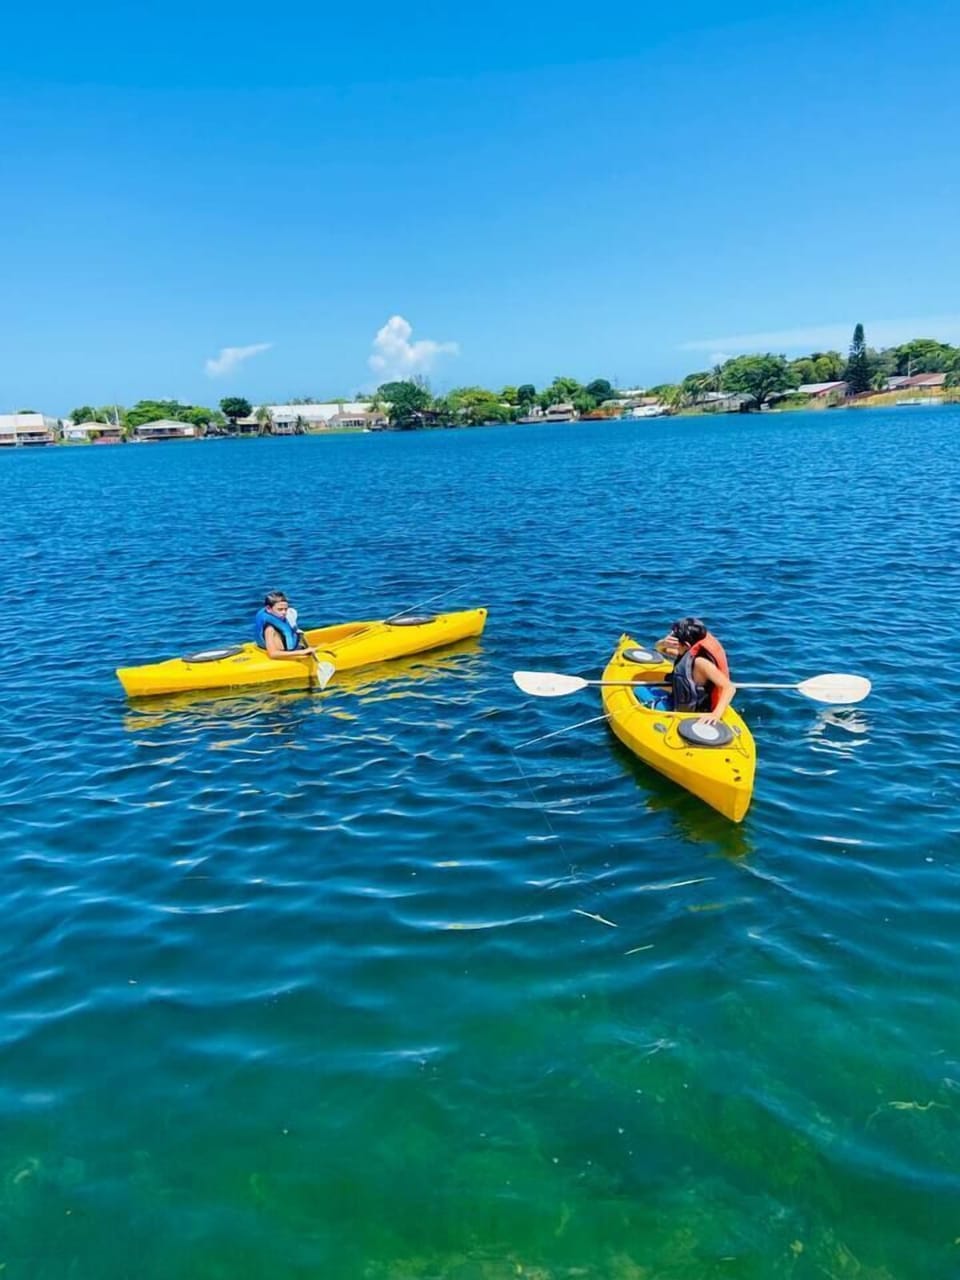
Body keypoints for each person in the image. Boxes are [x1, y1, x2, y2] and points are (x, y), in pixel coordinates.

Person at [653, 616, 736, 724]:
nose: (674, 646)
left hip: (694, 712)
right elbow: (661, 649)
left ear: (687, 645)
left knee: (639, 690)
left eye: (676, 643)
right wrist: (663, 643)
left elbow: (729, 688)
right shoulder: (688, 653)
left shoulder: (701, 663)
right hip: (684, 703)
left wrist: (715, 715)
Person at [253, 591, 317, 663]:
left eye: (285, 609)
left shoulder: (278, 617)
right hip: (282, 657)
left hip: (291, 649)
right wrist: (302, 652)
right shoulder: (269, 629)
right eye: (280, 609)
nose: (284, 612)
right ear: (268, 609)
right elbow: (273, 654)